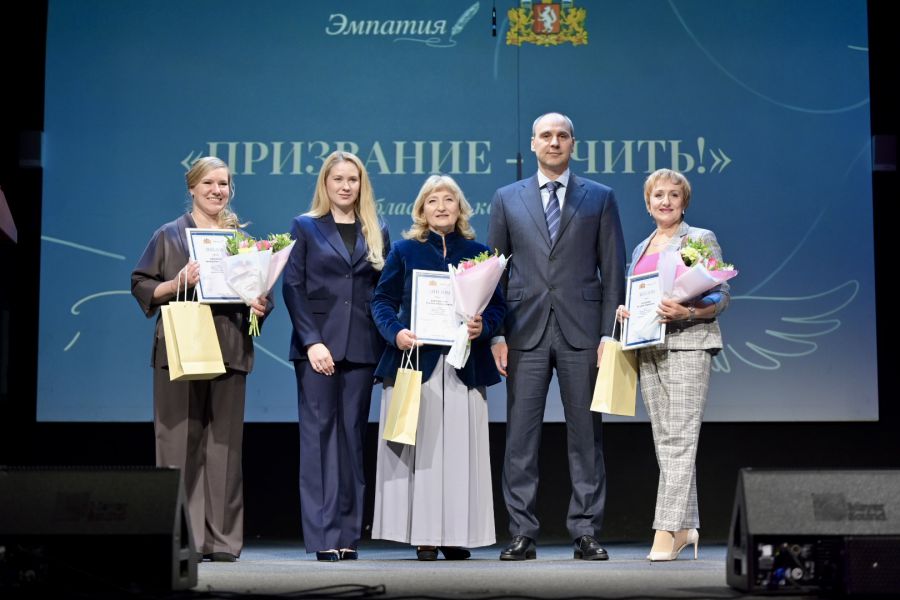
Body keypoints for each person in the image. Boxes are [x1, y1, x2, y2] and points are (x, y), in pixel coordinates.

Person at [487, 112, 626, 561]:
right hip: (523, 331)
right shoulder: (507, 198)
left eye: (561, 135)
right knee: (520, 438)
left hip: (582, 332)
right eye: (545, 135)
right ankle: (521, 533)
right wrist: (496, 335)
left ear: (572, 143)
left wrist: (609, 335)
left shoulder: (599, 197)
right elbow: (493, 272)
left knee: (586, 436)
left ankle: (585, 531)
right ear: (533, 143)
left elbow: (613, 270)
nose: (553, 142)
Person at [131, 156, 271, 562]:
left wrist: (261, 305)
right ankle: (182, 540)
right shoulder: (169, 235)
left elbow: (262, 295)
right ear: (192, 187)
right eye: (208, 183)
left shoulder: (242, 242)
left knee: (224, 447)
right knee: (177, 444)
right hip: (182, 347)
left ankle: (222, 541)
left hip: (229, 349)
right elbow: (140, 284)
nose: (216, 190)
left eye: (223, 184)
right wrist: (177, 282)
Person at [371, 174, 505, 561]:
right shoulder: (404, 251)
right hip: (416, 363)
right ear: (421, 210)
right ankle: (424, 536)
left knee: (460, 455)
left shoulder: (480, 254)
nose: (441, 206)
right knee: (422, 455)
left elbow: (498, 307)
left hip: (464, 366)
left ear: (460, 208)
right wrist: (396, 333)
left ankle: (454, 534)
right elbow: (381, 301)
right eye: (433, 200)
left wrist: (484, 326)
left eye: (448, 199)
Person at [617, 168, 729, 561]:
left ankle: (665, 530)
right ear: (648, 204)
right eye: (658, 195)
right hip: (648, 347)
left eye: (673, 195)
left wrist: (689, 311)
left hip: (688, 345)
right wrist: (626, 312)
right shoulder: (640, 248)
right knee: (666, 441)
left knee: (680, 439)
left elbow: (722, 295)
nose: (665, 201)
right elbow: (640, 295)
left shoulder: (699, 238)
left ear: (684, 202)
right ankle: (686, 527)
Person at [282, 151, 390, 562]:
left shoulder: (376, 228)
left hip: (361, 347)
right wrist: (312, 342)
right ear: (325, 184)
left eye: (353, 179)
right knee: (319, 439)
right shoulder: (305, 226)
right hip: (316, 349)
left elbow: (383, 292)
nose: (346, 186)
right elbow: (293, 287)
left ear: (362, 185)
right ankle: (323, 535)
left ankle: (348, 534)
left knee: (351, 440)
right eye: (338, 179)